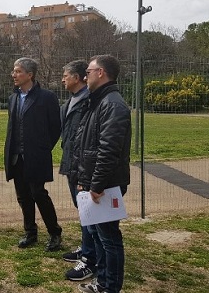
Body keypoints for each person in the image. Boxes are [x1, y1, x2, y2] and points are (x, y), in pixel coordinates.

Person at [74, 55, 131, 293]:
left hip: (106, 184)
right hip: (95, 182)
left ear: (101, 73)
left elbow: (108, 150)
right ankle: (103, 282)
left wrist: (95, 185)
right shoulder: (98, 101)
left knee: (109, 240)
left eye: (88, 71)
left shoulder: (112, 104)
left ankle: (110, 287)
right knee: (99, 237)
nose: (85, 76)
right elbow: (87, 144)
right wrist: (84, 181)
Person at [4, 57, 63, 252]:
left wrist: (43, 148)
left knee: (38, 193)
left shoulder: (47, 97)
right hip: (16, 156)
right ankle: (30, 232)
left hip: (36, 157)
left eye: (18, 71)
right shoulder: (13, 98)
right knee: (23, 196)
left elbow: (55, 128)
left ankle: (54, 233)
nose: (14, 74)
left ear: (30, 75)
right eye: (14, 71)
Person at [58, 60, 97, 281]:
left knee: (89, 213)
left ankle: (90, 260)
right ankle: (86, 247)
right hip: (71, 164)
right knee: (82, 210)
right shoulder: (70, 102)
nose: (63, 79)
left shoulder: (89, 102)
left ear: (78, 77)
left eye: (65, 75)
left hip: (83, 167)